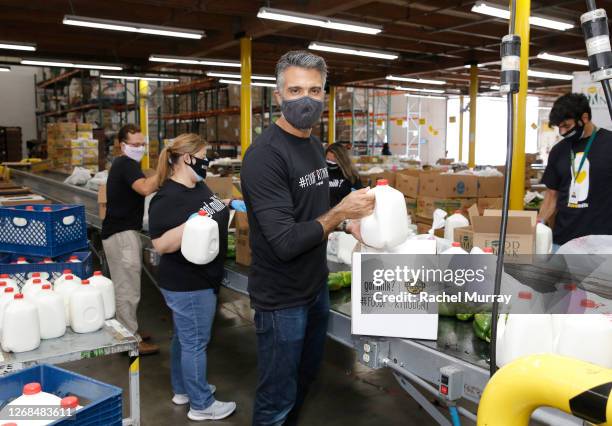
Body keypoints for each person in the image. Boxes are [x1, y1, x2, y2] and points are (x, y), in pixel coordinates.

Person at [241, 50, 375, 426]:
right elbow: (284, 240)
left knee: (304, 380)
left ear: (324, 95)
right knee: (276, 395)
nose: (306, 99)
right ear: (279, 96)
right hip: (282, 298)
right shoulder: (265, 156)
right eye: (295, 89)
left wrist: (350, 225)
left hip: (314, 287)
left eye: (314, 90)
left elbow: (310, 211)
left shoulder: (315, 147)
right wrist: (340, 214)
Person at [148, 133, 236, 421]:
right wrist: (193, 222)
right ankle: (201, 404)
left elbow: (208, 209)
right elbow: (160, 244)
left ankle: (183, 388)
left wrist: (227, 205)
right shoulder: (166, 197)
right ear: (188, 158)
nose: (208, 162)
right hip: (188, 283)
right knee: (196, 342)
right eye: (205, 156)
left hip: (200, 279)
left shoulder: (198, 186)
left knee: (185, 340)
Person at [101, 124, 160, 355]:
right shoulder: (125, 164)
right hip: (121, 235)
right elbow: (145, 188)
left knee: (126, 286)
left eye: (142, 144)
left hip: (121, 232)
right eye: (135, 145)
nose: (140, 148)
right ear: (122, 145)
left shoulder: (128, 164)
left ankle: (127, 330)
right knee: (128, 289)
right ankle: (130, 341)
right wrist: (164, 171)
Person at [539, 93, 612, 251]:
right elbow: (551, 196)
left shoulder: (609, 143)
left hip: (603, 244)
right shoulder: (558, 151)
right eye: (559, 127)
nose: (562, 131)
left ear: (584, 118)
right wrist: (539, 224)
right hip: (563, 242)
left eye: (566, 126)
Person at [326, 143, 363, 208]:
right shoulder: (321, 173)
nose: (331, 163)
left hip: (344, 213)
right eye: (328, 160)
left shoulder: (351, 175)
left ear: (342, 160)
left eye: (334, 161)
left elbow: (360, 196)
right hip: (324, 214)